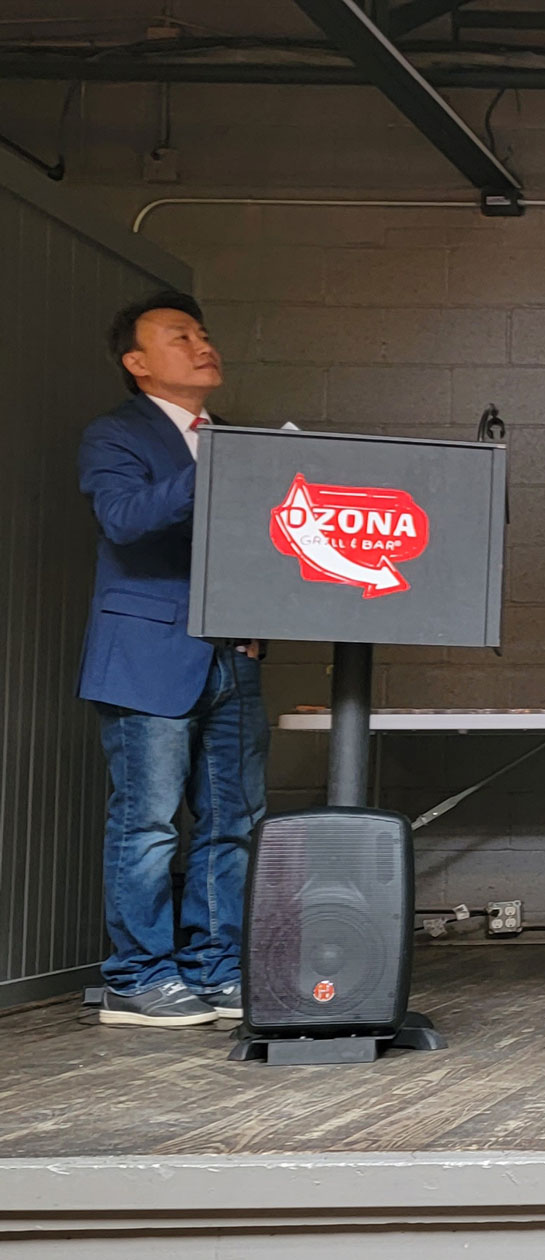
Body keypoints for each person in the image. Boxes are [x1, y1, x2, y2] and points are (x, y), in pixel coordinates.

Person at [77, 291, 267, 1027]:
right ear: (137, 363)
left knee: (232, 822)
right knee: (149, 824)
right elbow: (123, 520)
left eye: (205, 333)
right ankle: (138, 977)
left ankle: (218, 971)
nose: (202, 344)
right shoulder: (113, 435)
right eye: (179, 335)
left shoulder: (231, 436)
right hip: (146, 652)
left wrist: (259, 622)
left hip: (233, 654)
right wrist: (219, 465)